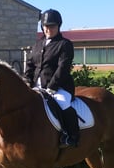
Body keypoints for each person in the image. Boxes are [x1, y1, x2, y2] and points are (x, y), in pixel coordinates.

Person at [24, 9, 80, 148]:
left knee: (62, 104)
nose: (48, 29)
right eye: (45, 26)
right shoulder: (38, 44)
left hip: (59, 88)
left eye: (52, 26)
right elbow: (30, 65)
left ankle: (71, 135)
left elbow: (63, 68)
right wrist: (26, 81)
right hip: (37, 87)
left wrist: (52, 86)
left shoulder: (64, 44)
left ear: (58, 26)